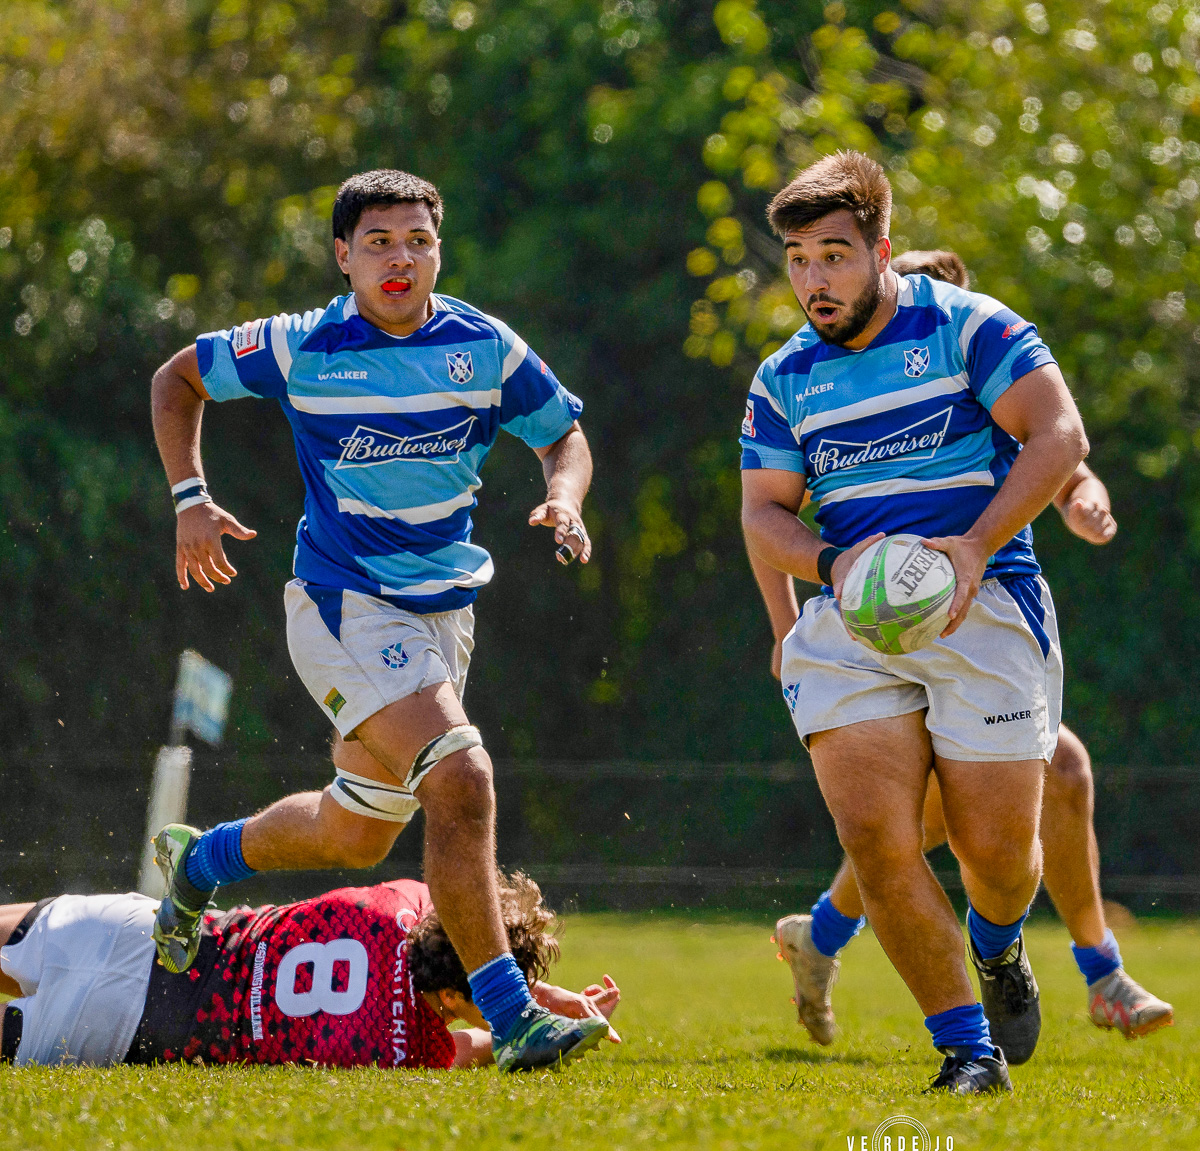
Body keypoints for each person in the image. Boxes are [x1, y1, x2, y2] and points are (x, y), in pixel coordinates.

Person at [146, 169, 605, 1071]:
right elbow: (177, 378)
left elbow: (564, 433)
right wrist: (190, 497)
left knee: (355, 828)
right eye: (380, 242)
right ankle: (513, 1018)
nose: (401, 259)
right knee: (462, 777)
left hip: (444, 614)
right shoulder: (301, 344)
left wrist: (565, 496)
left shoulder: (485, 345)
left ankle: (198, 862)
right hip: (342, 602)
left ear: (440, 251)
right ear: (343, 255)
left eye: (419, 242)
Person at [754, 249, 1171, 1051]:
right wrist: (784, 627)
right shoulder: (824, 387)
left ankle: (830, 936)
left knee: (1039, 785)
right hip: (884, 633)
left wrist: (1085, 504)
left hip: (988, 621)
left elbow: (1072, 467)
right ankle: (1091, 973)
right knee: (914, 819)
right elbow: (766, 518)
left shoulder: (983, 373)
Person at [739, 151, 1090, 1094]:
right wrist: (830, 562)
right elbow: (764, 513)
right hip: (851, 626)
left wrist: (972, 546)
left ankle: (1000, 940)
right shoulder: (781, 378)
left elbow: (1061, 437)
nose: (816, 279)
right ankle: (967, 1050)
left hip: (986, 610)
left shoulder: (969, 327)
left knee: (998, 861)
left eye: (836, 256)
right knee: (876, 839)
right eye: (800, 259)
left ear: (883, 249)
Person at [0, 873, 619, 1069]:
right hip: (125, 1027)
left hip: (143, 936)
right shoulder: (412, 1047)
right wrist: (541, 1020)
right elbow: (478, 1044)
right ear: (460, 990)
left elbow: (459, 913)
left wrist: (536, 992)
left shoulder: (399, 901)